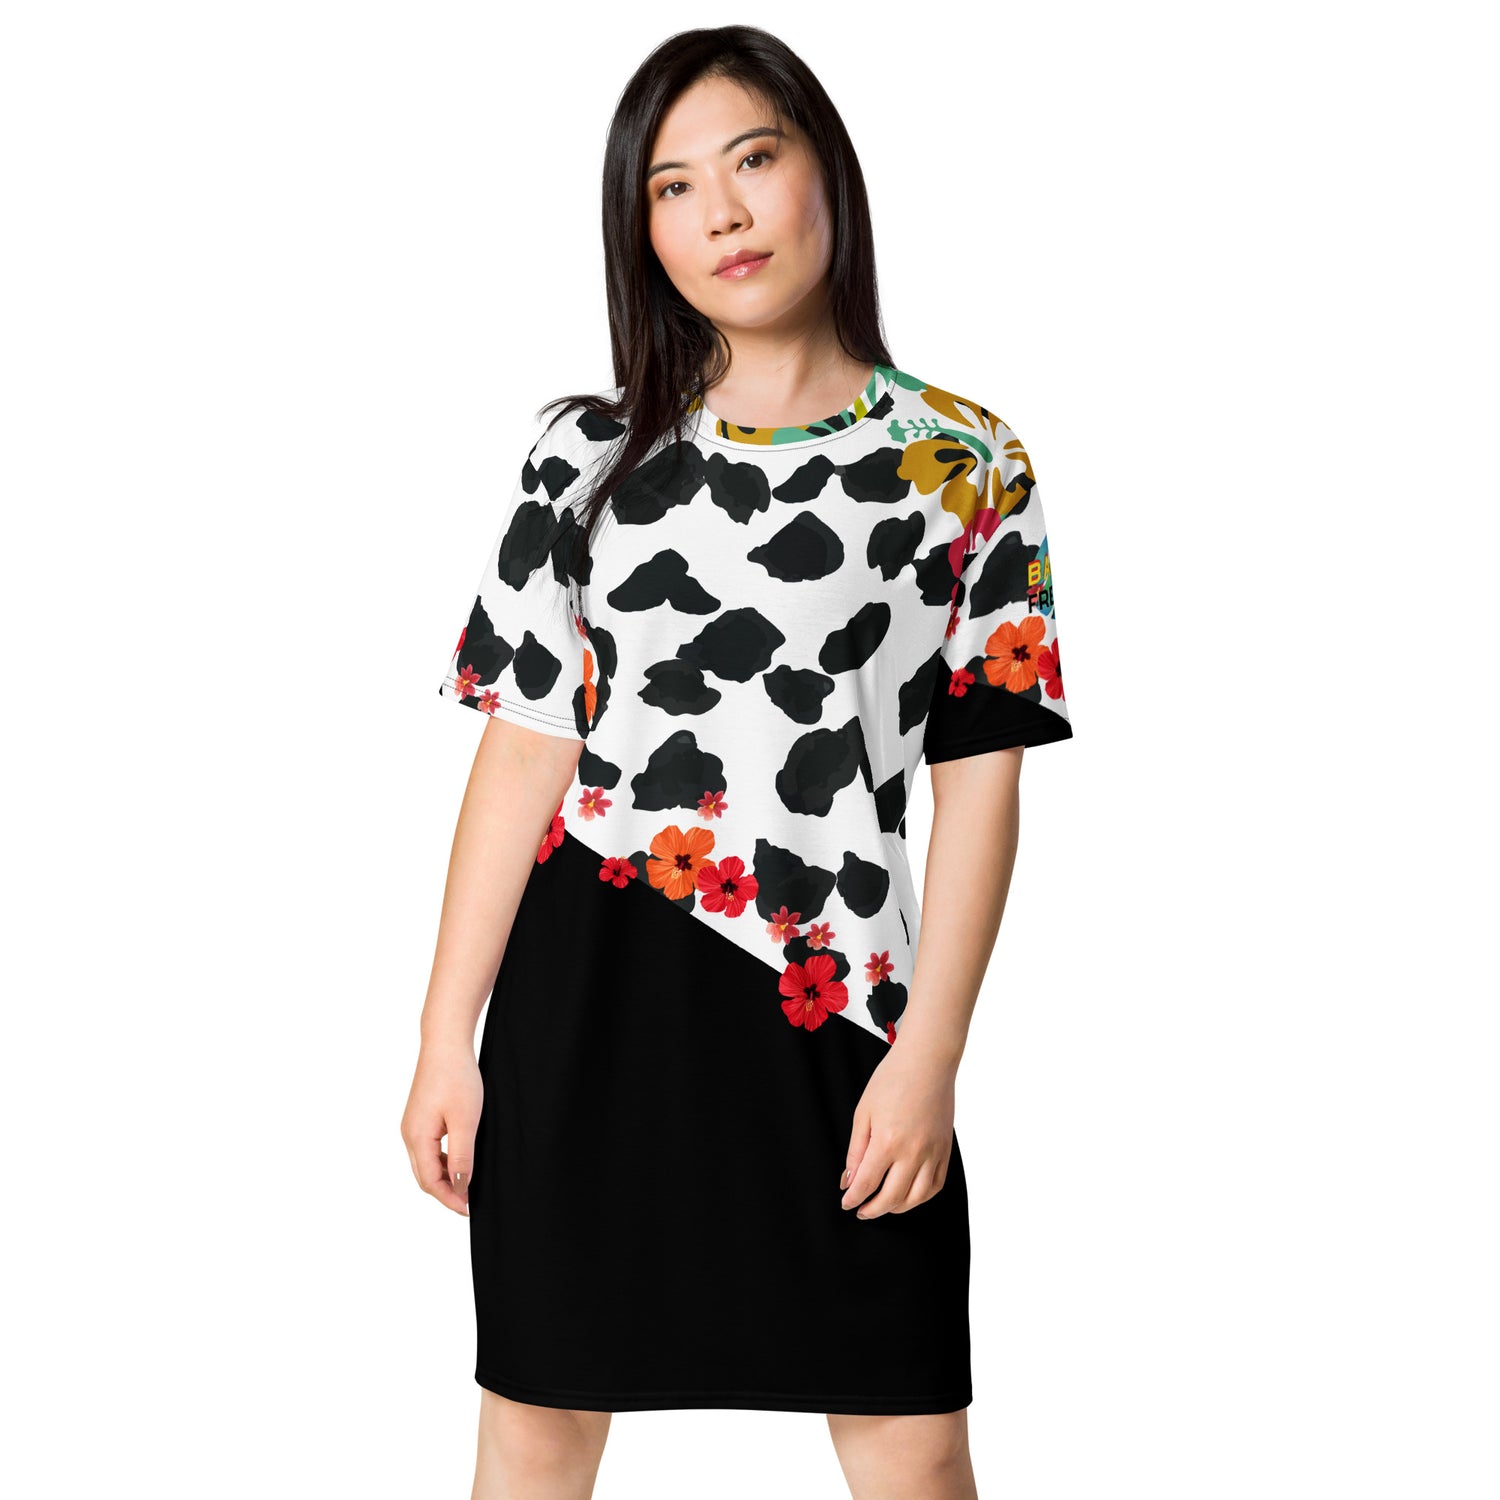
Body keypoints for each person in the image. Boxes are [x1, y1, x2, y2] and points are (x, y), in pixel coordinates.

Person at [401, 24, 1073, 1499]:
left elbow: (983, 782)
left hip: (839, 1007)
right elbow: (523, 751)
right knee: (536, 1429)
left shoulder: (964, 461)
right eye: (673, 186)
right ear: (639, 230)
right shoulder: (581, 458)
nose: (722, 212)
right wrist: (446, 1039)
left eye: (754, 160)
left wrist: (931, 1057)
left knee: (914, 1445)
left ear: (825, 169)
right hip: (589, 1003)